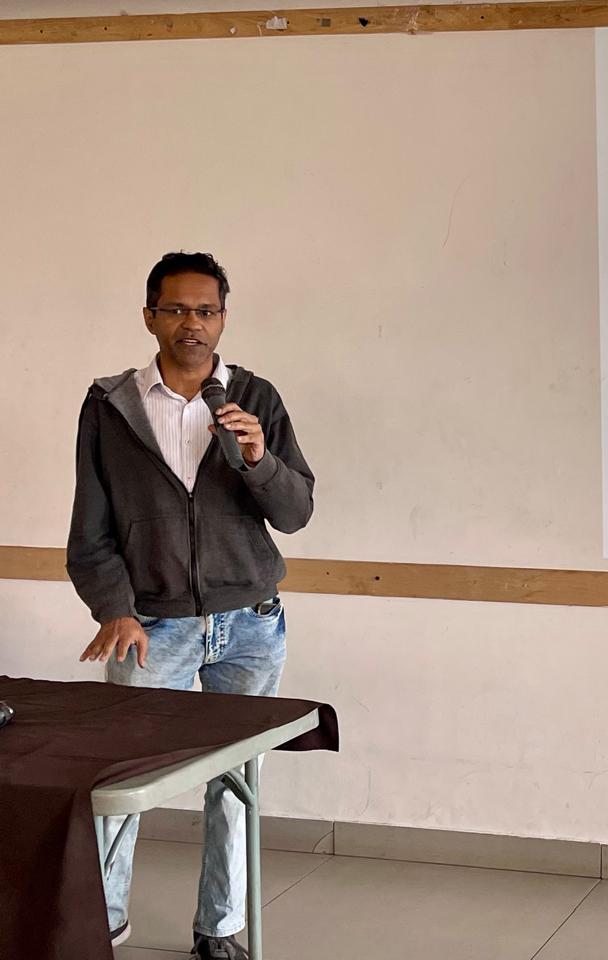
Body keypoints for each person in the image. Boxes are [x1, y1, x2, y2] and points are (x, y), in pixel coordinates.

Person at [66, 252, 315, 960]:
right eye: (176, 309)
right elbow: (90, 530)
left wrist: (259, 460)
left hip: (251, 624)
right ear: (150, 317)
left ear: (223, 318)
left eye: (206, 311)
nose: (192, 324)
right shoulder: (109, 405)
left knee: (235, 787)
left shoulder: (255, 397)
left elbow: (296, 512)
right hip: (153, 628)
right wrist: (114, 608)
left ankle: (221, 929)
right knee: (120, 781)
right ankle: (103, 924)